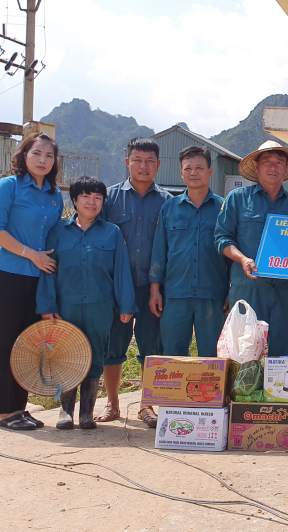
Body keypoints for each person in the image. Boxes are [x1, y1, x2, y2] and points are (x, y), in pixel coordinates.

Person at [36, 177, 138, 430]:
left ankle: (86, 413)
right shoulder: (57, 231)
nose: (92, 202)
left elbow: (121, 271)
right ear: (74, 201)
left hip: (100, 306)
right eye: (86, 197)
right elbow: (48, 270)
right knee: (66, 356)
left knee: (95, 356)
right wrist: (47, 305)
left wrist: (126, 306)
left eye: (98, 198)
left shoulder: (112, 232)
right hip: (66, 306)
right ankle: (65, 411)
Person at [0, 132, 65, 430]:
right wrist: (32, 255)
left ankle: (19, 407)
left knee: (28, 345)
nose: (43, 160)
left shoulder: (55, 195)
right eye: (37, 154)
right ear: (24, 156)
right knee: (6, 342)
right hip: (7, 275)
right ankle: (5, 413)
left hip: (38, 279)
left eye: (49, 156)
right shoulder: (9, 186)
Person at [97, 138, 173, 428]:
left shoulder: (168, 202)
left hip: (153, 289)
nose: (144, 166)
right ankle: (112, 403)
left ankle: (146, 405)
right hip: (118, 288)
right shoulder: (110, 198)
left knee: (150, 348)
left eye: (150, 161)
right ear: (127, 161)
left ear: (158, 165)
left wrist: (158, 287)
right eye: (138, 160)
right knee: (113, 346)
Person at [216, 141, 288, 356]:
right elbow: (222, 238)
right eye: (267, 162)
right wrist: (242, 259)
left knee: (283, 356)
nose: (273, 167)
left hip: (285, 291)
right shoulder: (237, 199)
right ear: (256, 167)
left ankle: (278, 391)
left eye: (279, 162)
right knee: (243, 354)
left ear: (286, 169)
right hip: (248, 287)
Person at [149, 146, 229, 357]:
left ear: (210, 172)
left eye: (199, 168)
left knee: (213, 357)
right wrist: (155, 290)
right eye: (188, 168)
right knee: (173, 354)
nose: (194, 172)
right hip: (176, 294)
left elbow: (231, 251)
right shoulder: (169, 208)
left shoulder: (224, 208)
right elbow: (159, 251)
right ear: (181, 173)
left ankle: (213, 392)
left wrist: (232, 290)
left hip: (213, 295)